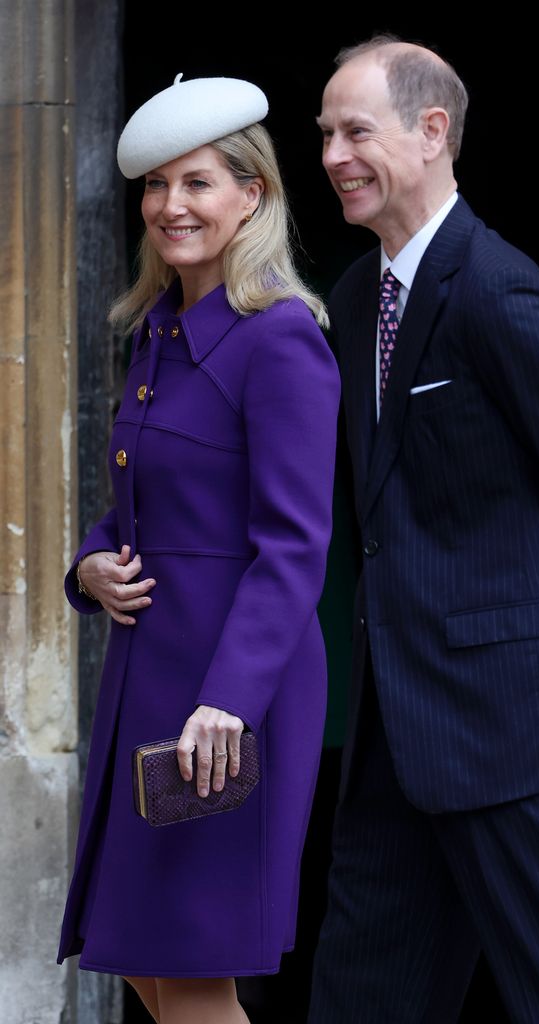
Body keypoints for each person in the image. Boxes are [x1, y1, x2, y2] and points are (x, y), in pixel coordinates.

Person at [308, 36, 539, 1023]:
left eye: (355, 130)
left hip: (514, 725)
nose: (333, 154)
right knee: (359, 999)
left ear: (432, 133)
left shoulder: (499, 288)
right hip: (393, 736)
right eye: (325, 133)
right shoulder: (348, 301)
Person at [56, 74, 340, 1024]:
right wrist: (88, 567)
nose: (171, 206)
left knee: (191, 970)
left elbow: (296, 546)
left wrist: (230, 698)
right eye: (156, 187)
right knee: (133, 949)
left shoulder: (283, 339)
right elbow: (142, 501)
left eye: (199, 184)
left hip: (230, 694)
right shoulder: (157, 331)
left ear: (251, 195)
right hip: (149, 679)